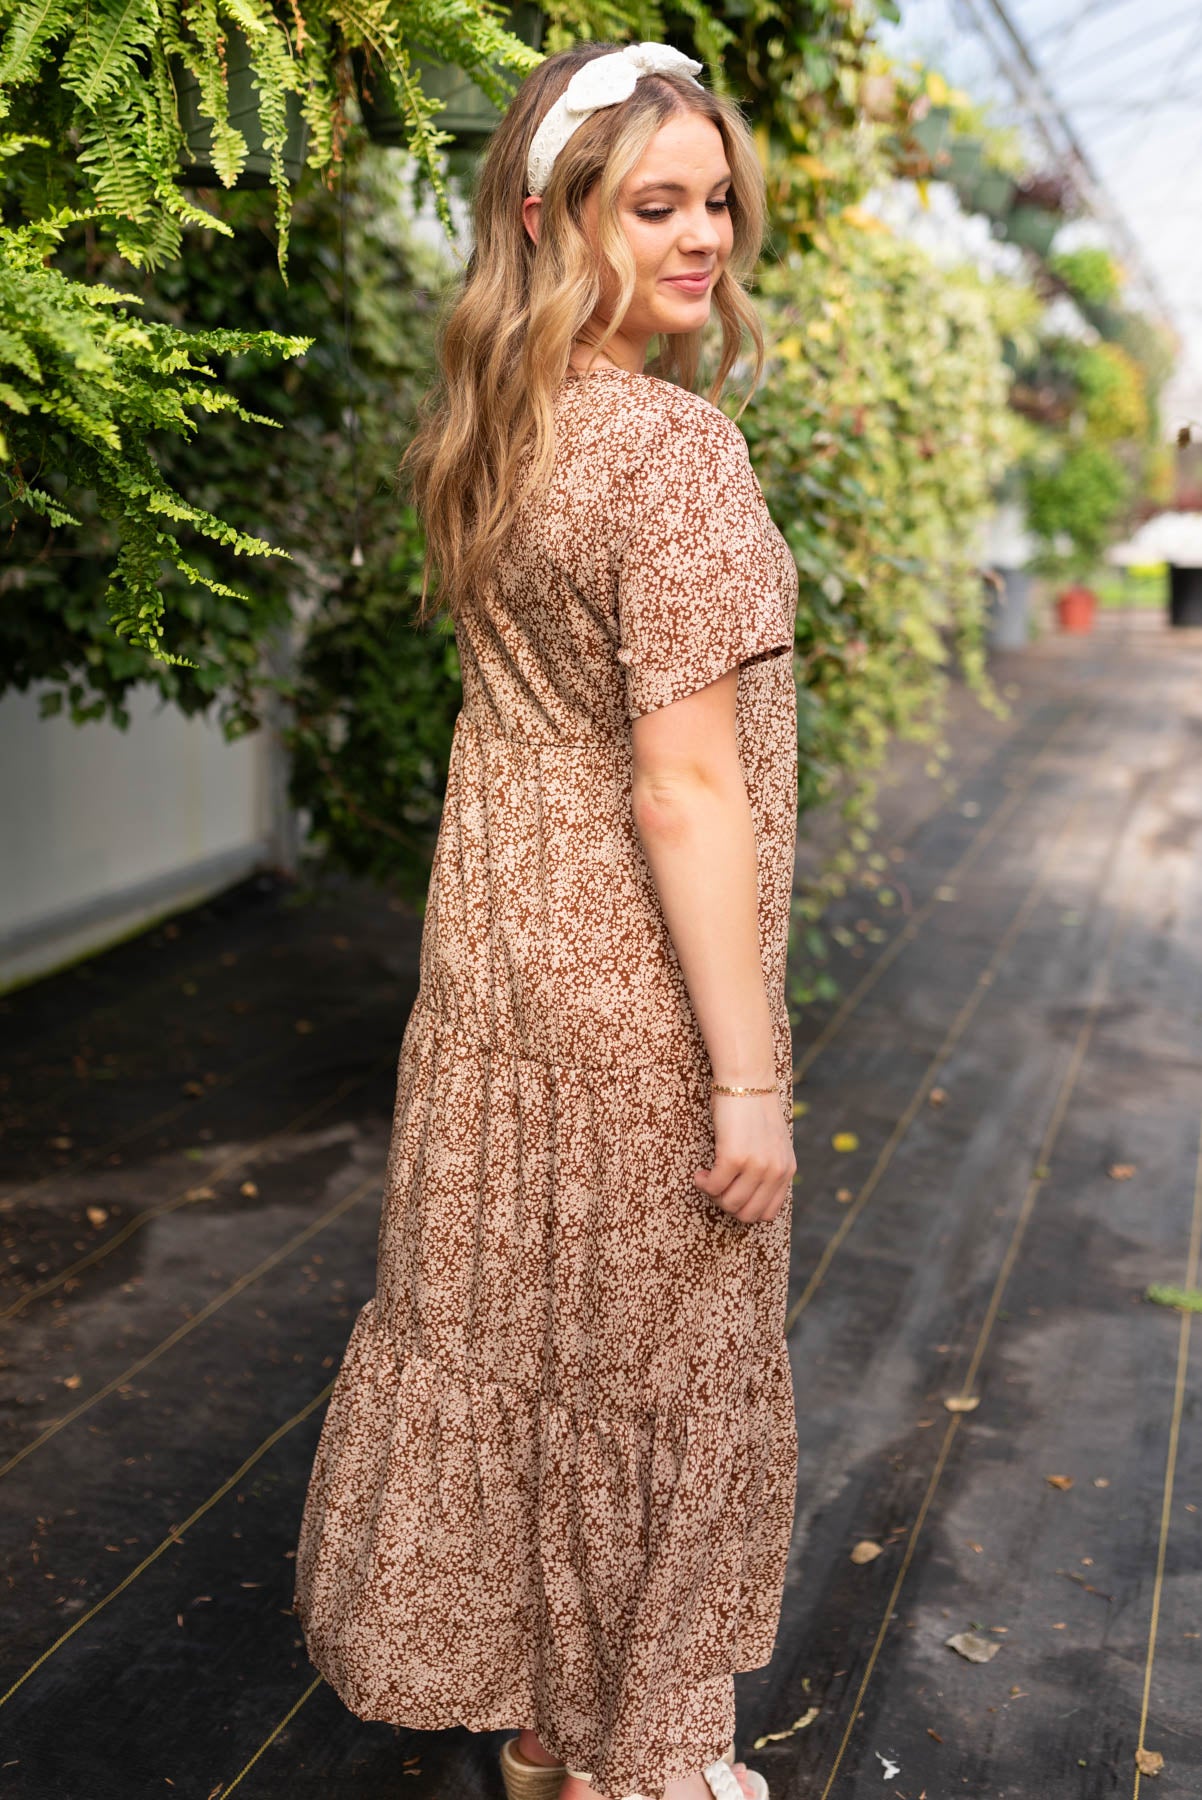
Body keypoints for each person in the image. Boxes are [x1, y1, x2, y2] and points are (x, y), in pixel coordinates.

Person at [293, 37, 800, 1800]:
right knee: (651, 1370)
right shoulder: (672, 456)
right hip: (632, 997)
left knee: (525, 1346)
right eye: (652, 203)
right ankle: (649, 1764)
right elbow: (685, 789)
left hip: (497, 970)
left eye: (715, 200)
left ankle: (551, 1733)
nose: (703, 236)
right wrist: (746, 1076)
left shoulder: (495, 427)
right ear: (546, 213)